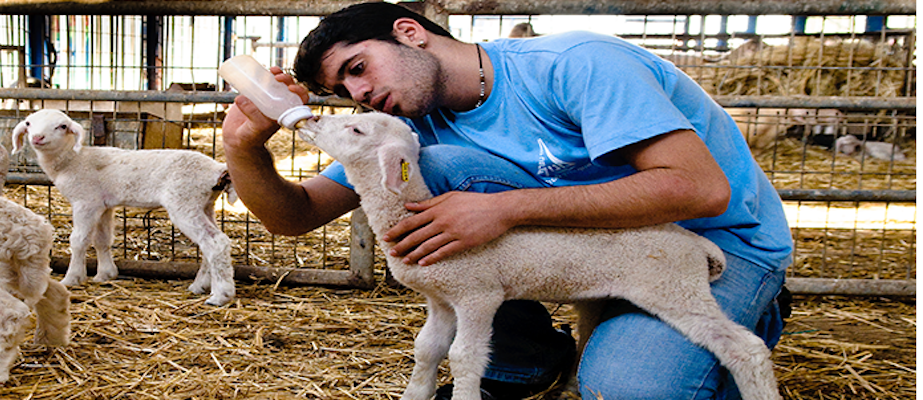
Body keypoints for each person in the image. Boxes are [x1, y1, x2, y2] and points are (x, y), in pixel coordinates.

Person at [220, 2, 792, 399]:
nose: (361, 93)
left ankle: (747, 312)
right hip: (589, 249)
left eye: (359, 68)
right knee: (437, 166)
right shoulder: (404, 126)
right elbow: (293, 216)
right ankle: (522, 357)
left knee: (625, 391)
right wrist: (242, 148)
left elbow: (700, 188)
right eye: (344, 91)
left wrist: (503, 208)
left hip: (710, 240)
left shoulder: (574, 65)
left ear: (410, 32)